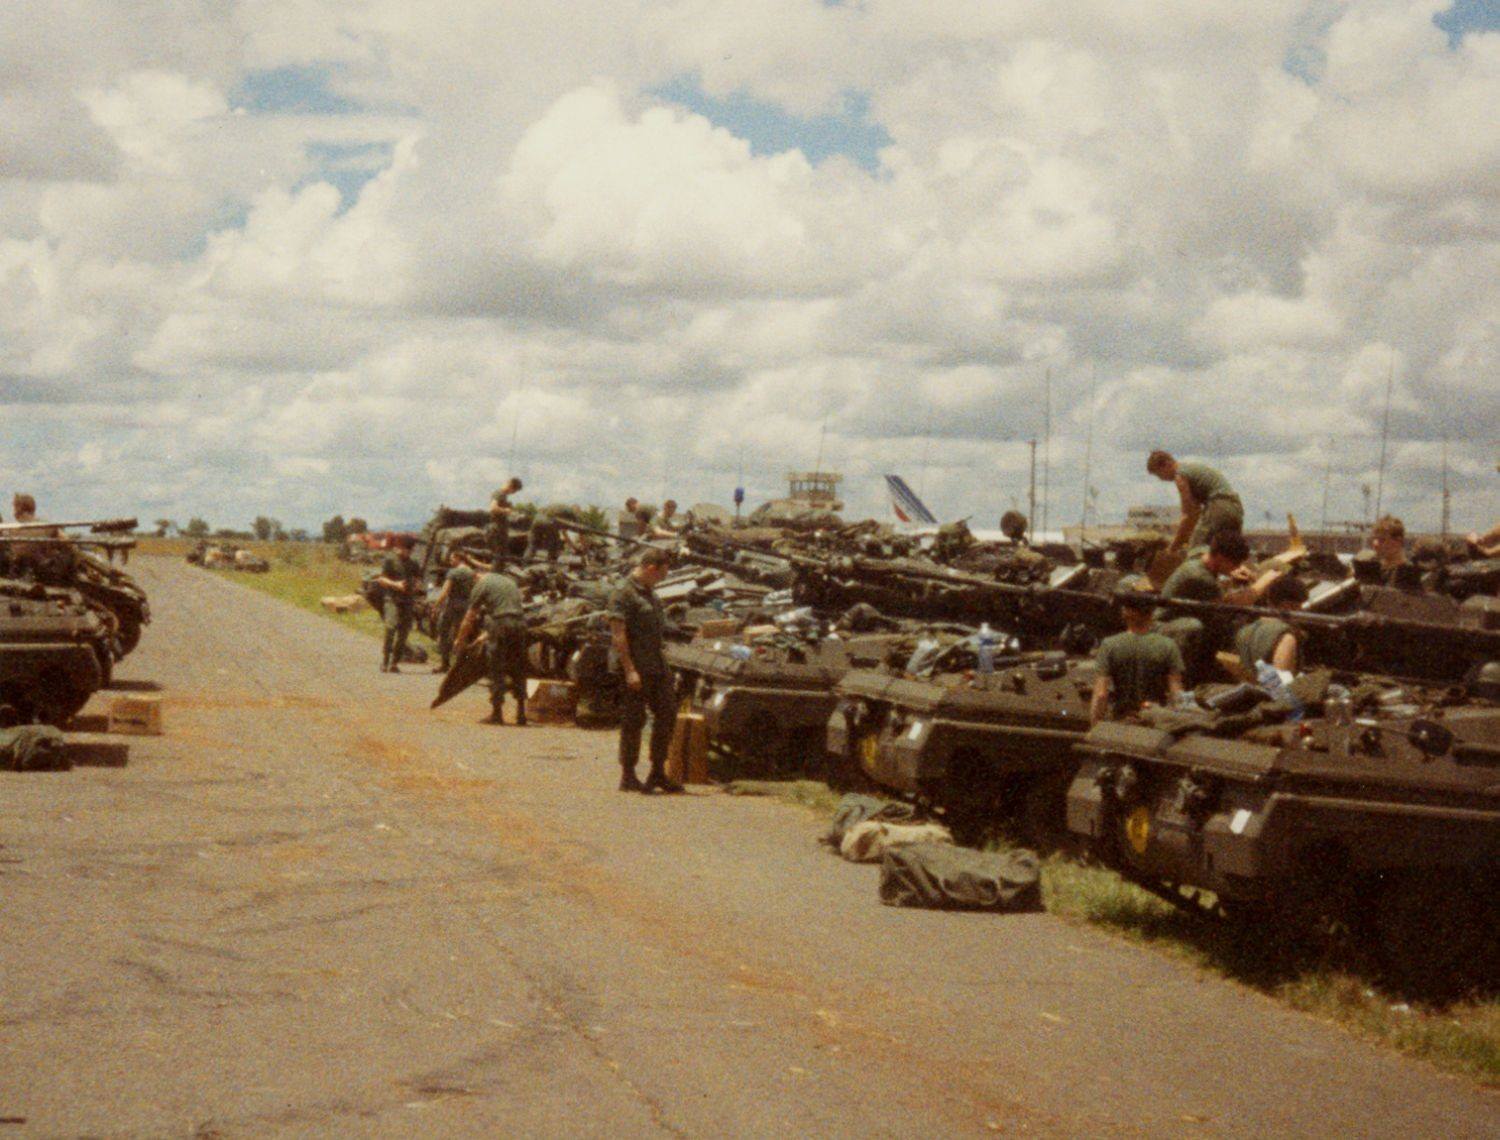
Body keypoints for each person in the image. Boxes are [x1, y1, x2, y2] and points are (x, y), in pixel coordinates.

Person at [609, 546, 683, 794]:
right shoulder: (624, 592)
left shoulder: (651, 593)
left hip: (656, 665)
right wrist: (630, 669)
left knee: (667, 713)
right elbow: (618, 634)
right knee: (634, 720)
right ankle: (628, 775)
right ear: (651, 568)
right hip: (636, 666)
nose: (663, 578)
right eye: (662, 573)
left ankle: (657, 773)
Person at [453, 553, 528, 725]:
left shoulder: (482, 584)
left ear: (475, 576)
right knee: (519, 668)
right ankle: (521, 713)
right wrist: (482, 637)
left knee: (496, 667)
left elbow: (469, 618)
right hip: (520, 625)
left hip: (501, 625)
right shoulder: (509, 582)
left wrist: (459, 640)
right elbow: (508, 611)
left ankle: (497, 713)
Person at [1091, 588, 1185, 724]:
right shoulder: (1169, 645)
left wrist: (1095, 726)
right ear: (1151, 614)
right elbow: (1177, 692)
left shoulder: (1109, 644)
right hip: (1154, 721)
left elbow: (1101, 695)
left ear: (1125, 613)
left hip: (1121, 719)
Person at [1146, 451, 1244, 554]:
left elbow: (1188, 516)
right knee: (1229, 551)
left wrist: (1172, 548)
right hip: (1234, 508)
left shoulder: (1180, 476)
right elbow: (1196, 511)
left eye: (1159, 474)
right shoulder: (1191, 469)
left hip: (1219, 508)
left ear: (1166, 464)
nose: (1161, 479)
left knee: (1197, 549)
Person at [1234, 574, 1308, 676]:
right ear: (1290, 606)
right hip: (1270, 690)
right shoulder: (1286, 637)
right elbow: (1281, 684)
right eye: (1300, 606)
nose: (1302, 610)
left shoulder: (1244, 631)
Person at [375, 534, 422, 673]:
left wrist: (416, 586)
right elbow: (381, 579)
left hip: (408, 601)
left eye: (407, 550)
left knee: (403, 633)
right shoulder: (390, 560)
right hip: (392, 599)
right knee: (391, 627)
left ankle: (394, 662)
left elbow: (418, 579)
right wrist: (396, 585)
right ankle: (385, 660)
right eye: (402, 548)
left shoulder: (414, 563)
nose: (403, 552)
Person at [431, 547, 477, 673]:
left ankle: (445, 663)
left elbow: (445, 591)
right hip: (466, 605)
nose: (450, 561)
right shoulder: (471, 572)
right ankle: (460, 666)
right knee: (461, 634)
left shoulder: (453, 572)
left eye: (452, 558)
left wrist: (436, 605)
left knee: (443, 631)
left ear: (458, 558)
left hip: (452, 604)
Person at [487, 476, 524, 559]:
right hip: (497, 528)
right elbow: (493, 508)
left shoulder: (503, 495)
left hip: (500, 528)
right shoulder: (499, 493)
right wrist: (506, 511)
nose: (513, 493)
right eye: (515, 490)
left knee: (500, 554)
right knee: (499, 555)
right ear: (511, 486)